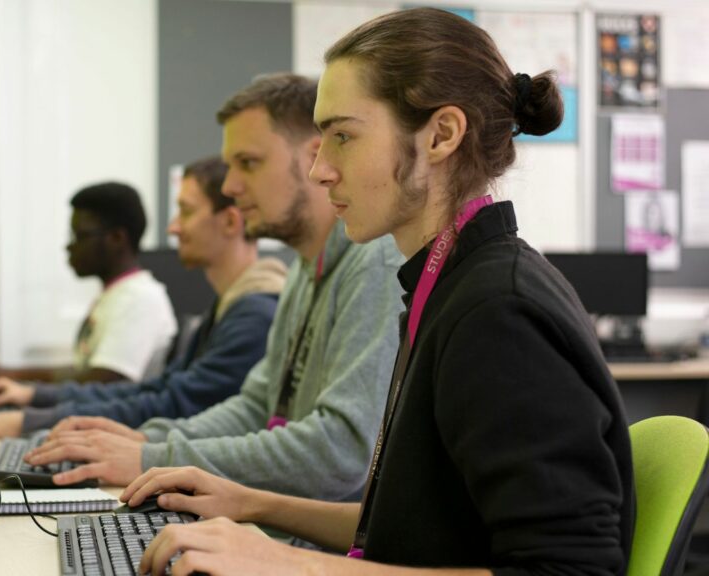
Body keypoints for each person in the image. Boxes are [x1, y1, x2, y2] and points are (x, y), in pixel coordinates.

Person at [120, 8, 635, 576]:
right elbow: (416, 526)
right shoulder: (445, 284)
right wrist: (253, 504)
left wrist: (290, 564)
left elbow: (572, 570)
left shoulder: (497, 313)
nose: (319, 170)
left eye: (343, 136)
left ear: (441, 135)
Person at [24, 74, 405, 503]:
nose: (230, 186)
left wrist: (154, 457)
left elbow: (340, 455)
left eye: (249, 162)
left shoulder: (376, 263)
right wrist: (145, 443)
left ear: (313, 158)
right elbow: (256, 407)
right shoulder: (302, 268)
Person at [0, 157, 287, 440]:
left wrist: (35, 418)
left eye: (186, 211)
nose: (173, 227)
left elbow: (173, 403)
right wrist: (35, 401)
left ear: (229, 222)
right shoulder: (225, 308)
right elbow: (165, 390)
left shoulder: (253, 314)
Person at [0, 182, 177, 385]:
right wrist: (10, 375)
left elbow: (103, 380)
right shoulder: (116, 295)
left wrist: (21, 385)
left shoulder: (140, 299)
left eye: (80, 236)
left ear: (116, 238)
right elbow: (85, 370)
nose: (70, 247)